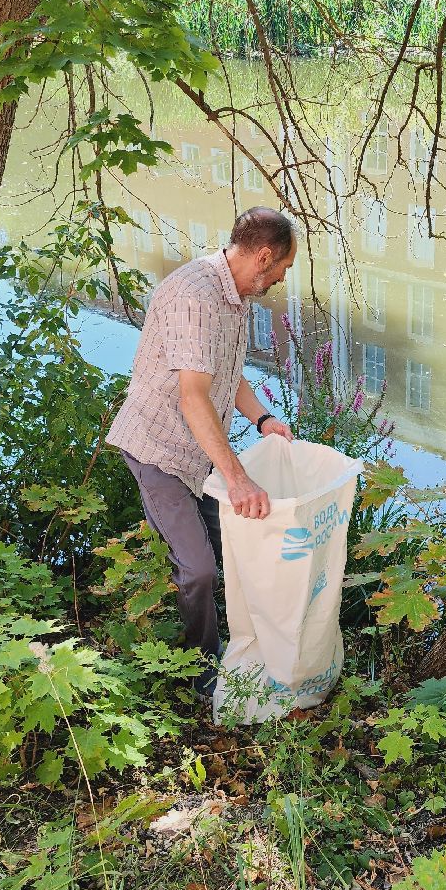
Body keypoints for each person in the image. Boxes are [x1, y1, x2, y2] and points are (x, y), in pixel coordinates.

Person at [106, 207, 297, 694]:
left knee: (233, 542)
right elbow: (192, 397)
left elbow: (228, 377)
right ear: (264, 255)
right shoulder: (196, 297)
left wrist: (264, 419)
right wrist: (238, 478)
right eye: (282, 269)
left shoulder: (233, 297)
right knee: (198, 567)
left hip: (198, 451)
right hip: (159, 449)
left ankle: (242, 644)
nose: (280, 279)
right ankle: (201, 674)